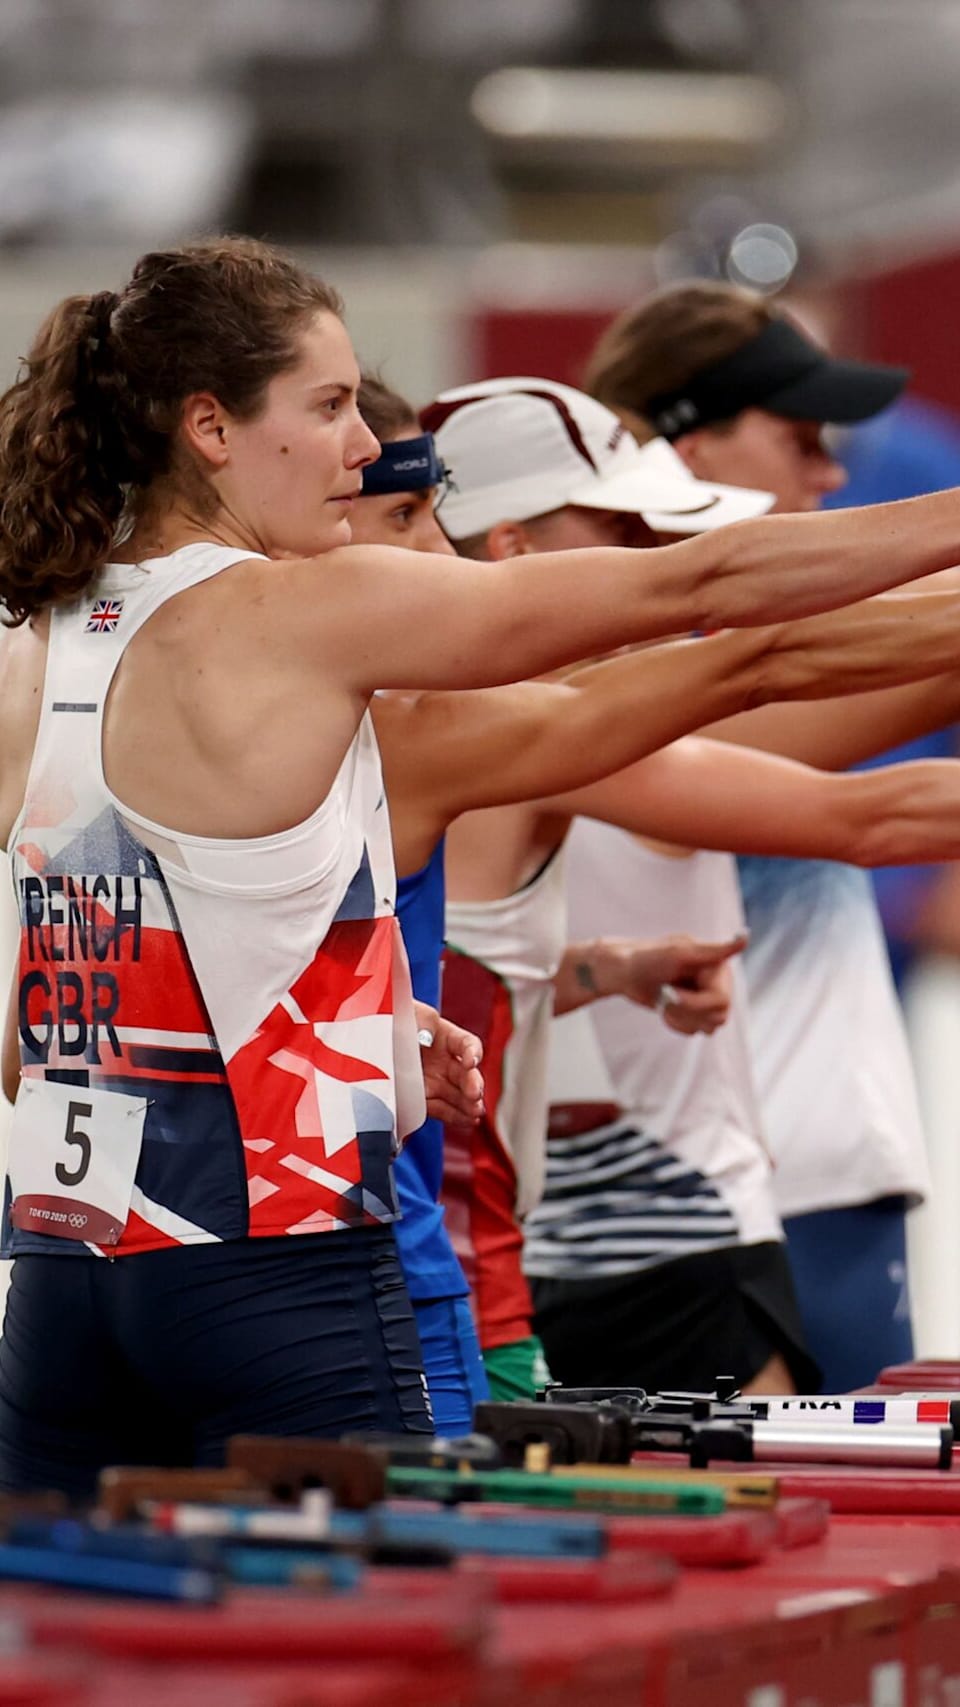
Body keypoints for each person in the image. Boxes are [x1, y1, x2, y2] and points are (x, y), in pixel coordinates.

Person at [5, 242, 925, 1496]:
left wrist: (361, 1012)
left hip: (60, 1289)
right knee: (369, 1678)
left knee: (74, 1673)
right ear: (210, 427)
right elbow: (711, 589)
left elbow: (48, 1006)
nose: (357, 449)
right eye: (328, 409)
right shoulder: (308, 612)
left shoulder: (37, 633)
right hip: (279, 1277)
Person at [420, 376, 960, 1397]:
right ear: (511, 550)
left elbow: (416, 971)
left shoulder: (362, 710)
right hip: (509, 1276)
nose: (657, 569)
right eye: (628, 532)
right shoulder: (514, 734)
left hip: (417, 1268)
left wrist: (586, 972)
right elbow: (852, 789)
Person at [582, 280, 952, 1388]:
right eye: (799, 441)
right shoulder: (628, 680)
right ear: (685, 448)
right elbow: (877, 791)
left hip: (796, 1174)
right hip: (745, 1197)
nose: (832, 477)